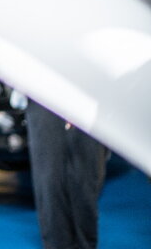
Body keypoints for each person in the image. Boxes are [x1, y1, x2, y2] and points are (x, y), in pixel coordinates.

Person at [25, 100, 109, 249]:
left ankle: (85, 243)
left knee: (86, 182)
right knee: (50, 181)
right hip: (44, 94)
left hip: (89, 98)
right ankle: (57, 244)